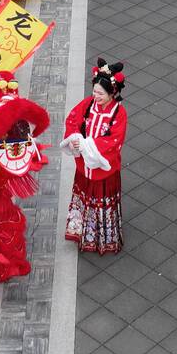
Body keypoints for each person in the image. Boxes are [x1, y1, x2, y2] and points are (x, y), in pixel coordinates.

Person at [61, 59, 128, 256]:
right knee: (84, 199)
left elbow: (114, 140)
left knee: (101, 202)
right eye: (95, 91)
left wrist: (87, 145)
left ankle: (104, 239)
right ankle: (84, 233)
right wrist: (74, 138)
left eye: (100, 93)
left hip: (104, 170)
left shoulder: (119, 113)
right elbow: (73, 119)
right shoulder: (88, 104)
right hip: (84, 166)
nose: (95, 95)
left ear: (112, 93)